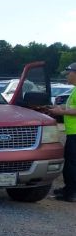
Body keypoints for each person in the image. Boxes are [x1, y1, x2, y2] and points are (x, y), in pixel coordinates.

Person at [48, 62, 76, 202]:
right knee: (71, 162)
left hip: (75, 134)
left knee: (72, 164)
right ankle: (69, 189)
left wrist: (61, 111)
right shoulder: (74, 90)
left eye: (69, 74)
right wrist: (60, 108)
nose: (67, 77)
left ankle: (71, 193)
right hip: (72, 132)